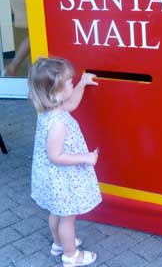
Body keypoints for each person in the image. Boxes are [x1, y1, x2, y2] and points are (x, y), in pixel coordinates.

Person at [28, 57, 102, 266]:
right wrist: (86, 157)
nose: (73, 82)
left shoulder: (51, 110)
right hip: (61, 178)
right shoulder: (58, 123)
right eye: (70, 81)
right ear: (57, 92)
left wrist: (82, 83)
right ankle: (71, 255)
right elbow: (56, 155)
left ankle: (59, 243)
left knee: (56, 212)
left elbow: (71, 103)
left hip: (52, 179)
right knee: (67, 218)